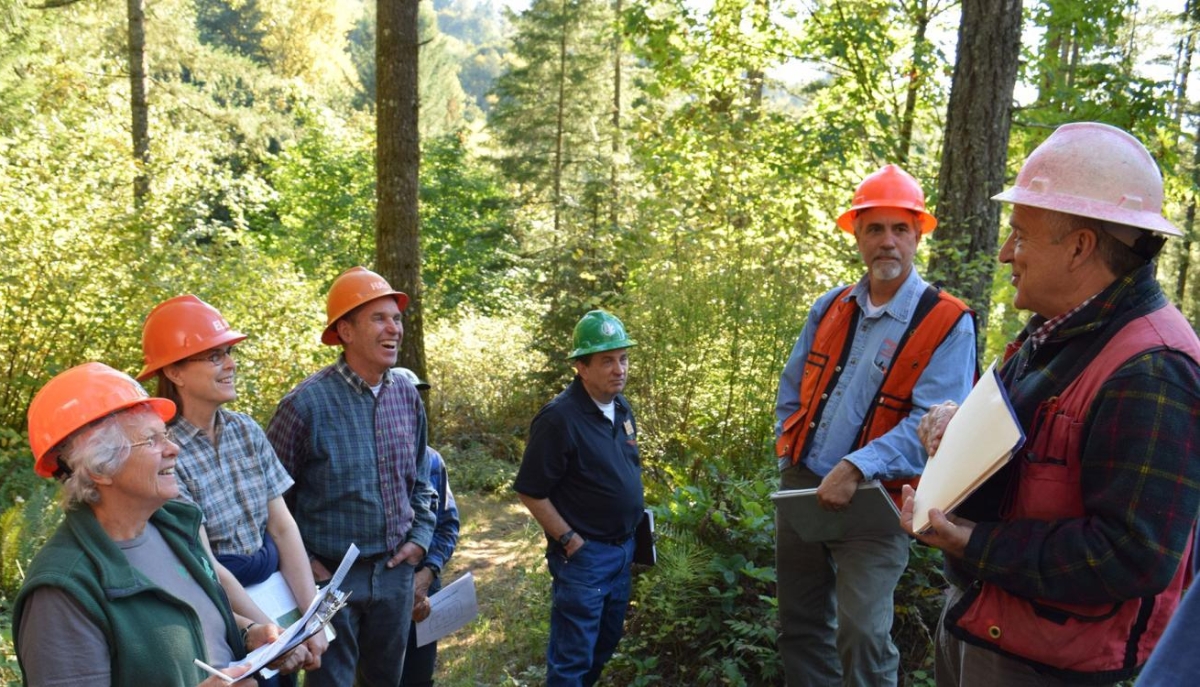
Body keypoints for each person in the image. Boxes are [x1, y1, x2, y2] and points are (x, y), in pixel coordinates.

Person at [902, 122, 1200, 686]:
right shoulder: (1057, 332)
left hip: (1046, 665)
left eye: (1020, 234)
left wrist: (971, 541)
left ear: (1081, 247)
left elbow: (1134, 554)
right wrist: (955, 424)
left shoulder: (1153, 369)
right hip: (986, 622)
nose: (1003, 252)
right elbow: (1027, 443)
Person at [774, 164, 977, 686]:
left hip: (879, 499)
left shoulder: (947, 321)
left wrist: (853, 466)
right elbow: (792, 388)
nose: (887, 242)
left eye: (899, 229)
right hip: (803, 485)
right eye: (875, 229)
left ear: (916, 237)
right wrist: (789, 458)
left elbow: (929, 427)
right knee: (800, 625)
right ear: (858, 236)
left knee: (862, 632)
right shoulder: (831, 306)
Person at [13, 362, 305, 686]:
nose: (174, 449)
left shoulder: (173, 527)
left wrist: (248, 633)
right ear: (100, 469)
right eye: (151, 440)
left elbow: (192, 619)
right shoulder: (64, 590)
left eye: (164, 434)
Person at [137, 295, 328, 683]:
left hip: (275, 598)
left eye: (228, 352)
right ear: (174, 371)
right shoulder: (165, 452)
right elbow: (207, 565)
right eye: (214, 356)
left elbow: (282, 528)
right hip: (221, 617)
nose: (231, 363)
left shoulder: (246, 430)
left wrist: (310, 619)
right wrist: (275, 635)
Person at [266, 266, 436, 687]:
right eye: (379, 318)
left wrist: (420, 538)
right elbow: (270, 504)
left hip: (396, 573)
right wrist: (304, 565)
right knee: (332, 683)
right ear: (345, 330)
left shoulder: (406, 396)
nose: (393, 328)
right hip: (330, 581)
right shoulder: (304, 405)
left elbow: (421, 481)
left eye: (396, 318)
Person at [514, 310, 645, 687]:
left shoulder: (621, 407)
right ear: (580, 367)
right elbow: (530, 489)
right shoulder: (559, 419)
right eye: (606, 360)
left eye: (622, 358)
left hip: (623, 551)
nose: (618, 369)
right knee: (572, 659)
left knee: (604, 643)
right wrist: (570, 539)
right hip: (585, 557)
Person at [393, 367, 461, 687]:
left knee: (419, 676)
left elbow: (448, 524)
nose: (413, 407)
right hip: (380, 592)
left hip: (424, 589)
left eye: (418, 399)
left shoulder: (433, 461)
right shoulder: (366, 459)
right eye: (406, 398)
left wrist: (427, 573)